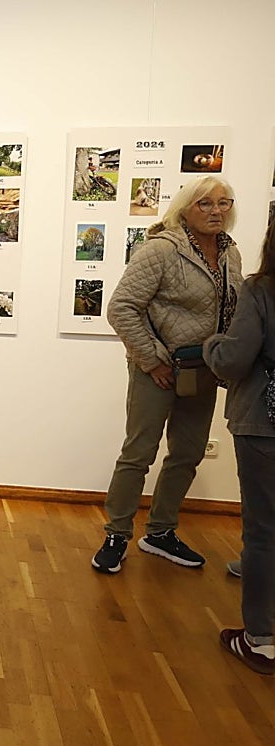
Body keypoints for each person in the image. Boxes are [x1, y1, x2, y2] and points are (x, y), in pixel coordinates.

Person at [92, 175, 241, 574]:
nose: (216, 211)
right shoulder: (161, 249)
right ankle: (116, 534)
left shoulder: (230, 252)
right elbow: (121, 308)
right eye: (205, 203)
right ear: (185, 208)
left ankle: (160, 531)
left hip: (202, 370)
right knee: (138, 453)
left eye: (224, 203)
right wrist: (151, 360)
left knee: (188, 453)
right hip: (156, 371)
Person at [204, 217, 275, 675]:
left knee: (263, 532)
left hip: (265, 423)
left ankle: (260, 641)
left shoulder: (261, 290)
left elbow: (232, 359)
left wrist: (211, 344)